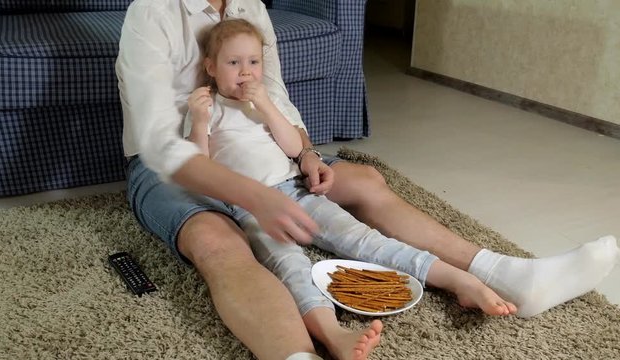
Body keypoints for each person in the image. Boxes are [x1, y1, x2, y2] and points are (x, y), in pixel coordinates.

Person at [116, 1, 620, 359]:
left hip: (270, 163)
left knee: (364, 182)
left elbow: (276, 100)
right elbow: (163, 143)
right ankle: (300, 351)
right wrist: (251, 195)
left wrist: (308, 154)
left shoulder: (250, 7)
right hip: (175, 164)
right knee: (221, 242)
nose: (244, 69)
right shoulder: (153, 12)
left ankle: (506, 275)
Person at [187, 18, 522, 360]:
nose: (246, 72)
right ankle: (333, 335)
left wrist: (268, 107)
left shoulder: (265, 102)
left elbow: (292, 147)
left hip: (296, 189)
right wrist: (199, 122)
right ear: (211, 67)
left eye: (253, 62)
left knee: (360, 237)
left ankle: (455, 279)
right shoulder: (207, 107)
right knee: (290, 264)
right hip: (251, 206)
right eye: (233, 63)